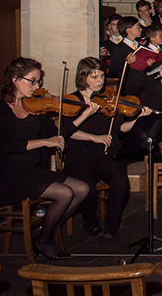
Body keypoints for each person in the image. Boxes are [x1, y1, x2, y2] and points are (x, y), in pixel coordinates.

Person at [0, 58, 90, 260]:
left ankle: (45, 231)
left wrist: (84, 114)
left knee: (82, 189)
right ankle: (44, 240)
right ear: (15, 80)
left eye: (38, 82)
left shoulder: (35, 107)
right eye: (32, 81)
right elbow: (6, 146)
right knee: (64, 193)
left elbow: (59, 131)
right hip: (8, 176)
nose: (37, 87)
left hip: (33, 171)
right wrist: (44, 142)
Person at [62, 57, 151, 238]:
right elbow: (66, 131)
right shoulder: (72, 100)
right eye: (94, 77)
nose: (100, 81)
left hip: (105, 152)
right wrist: (93, 136)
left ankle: (112, 225)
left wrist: (137, 120)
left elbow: (120, 128)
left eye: (102, 76)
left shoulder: (109, 100)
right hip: (79, 153)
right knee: (87, 187)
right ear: (83, 77)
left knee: (121, 183)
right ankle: (91, 224)